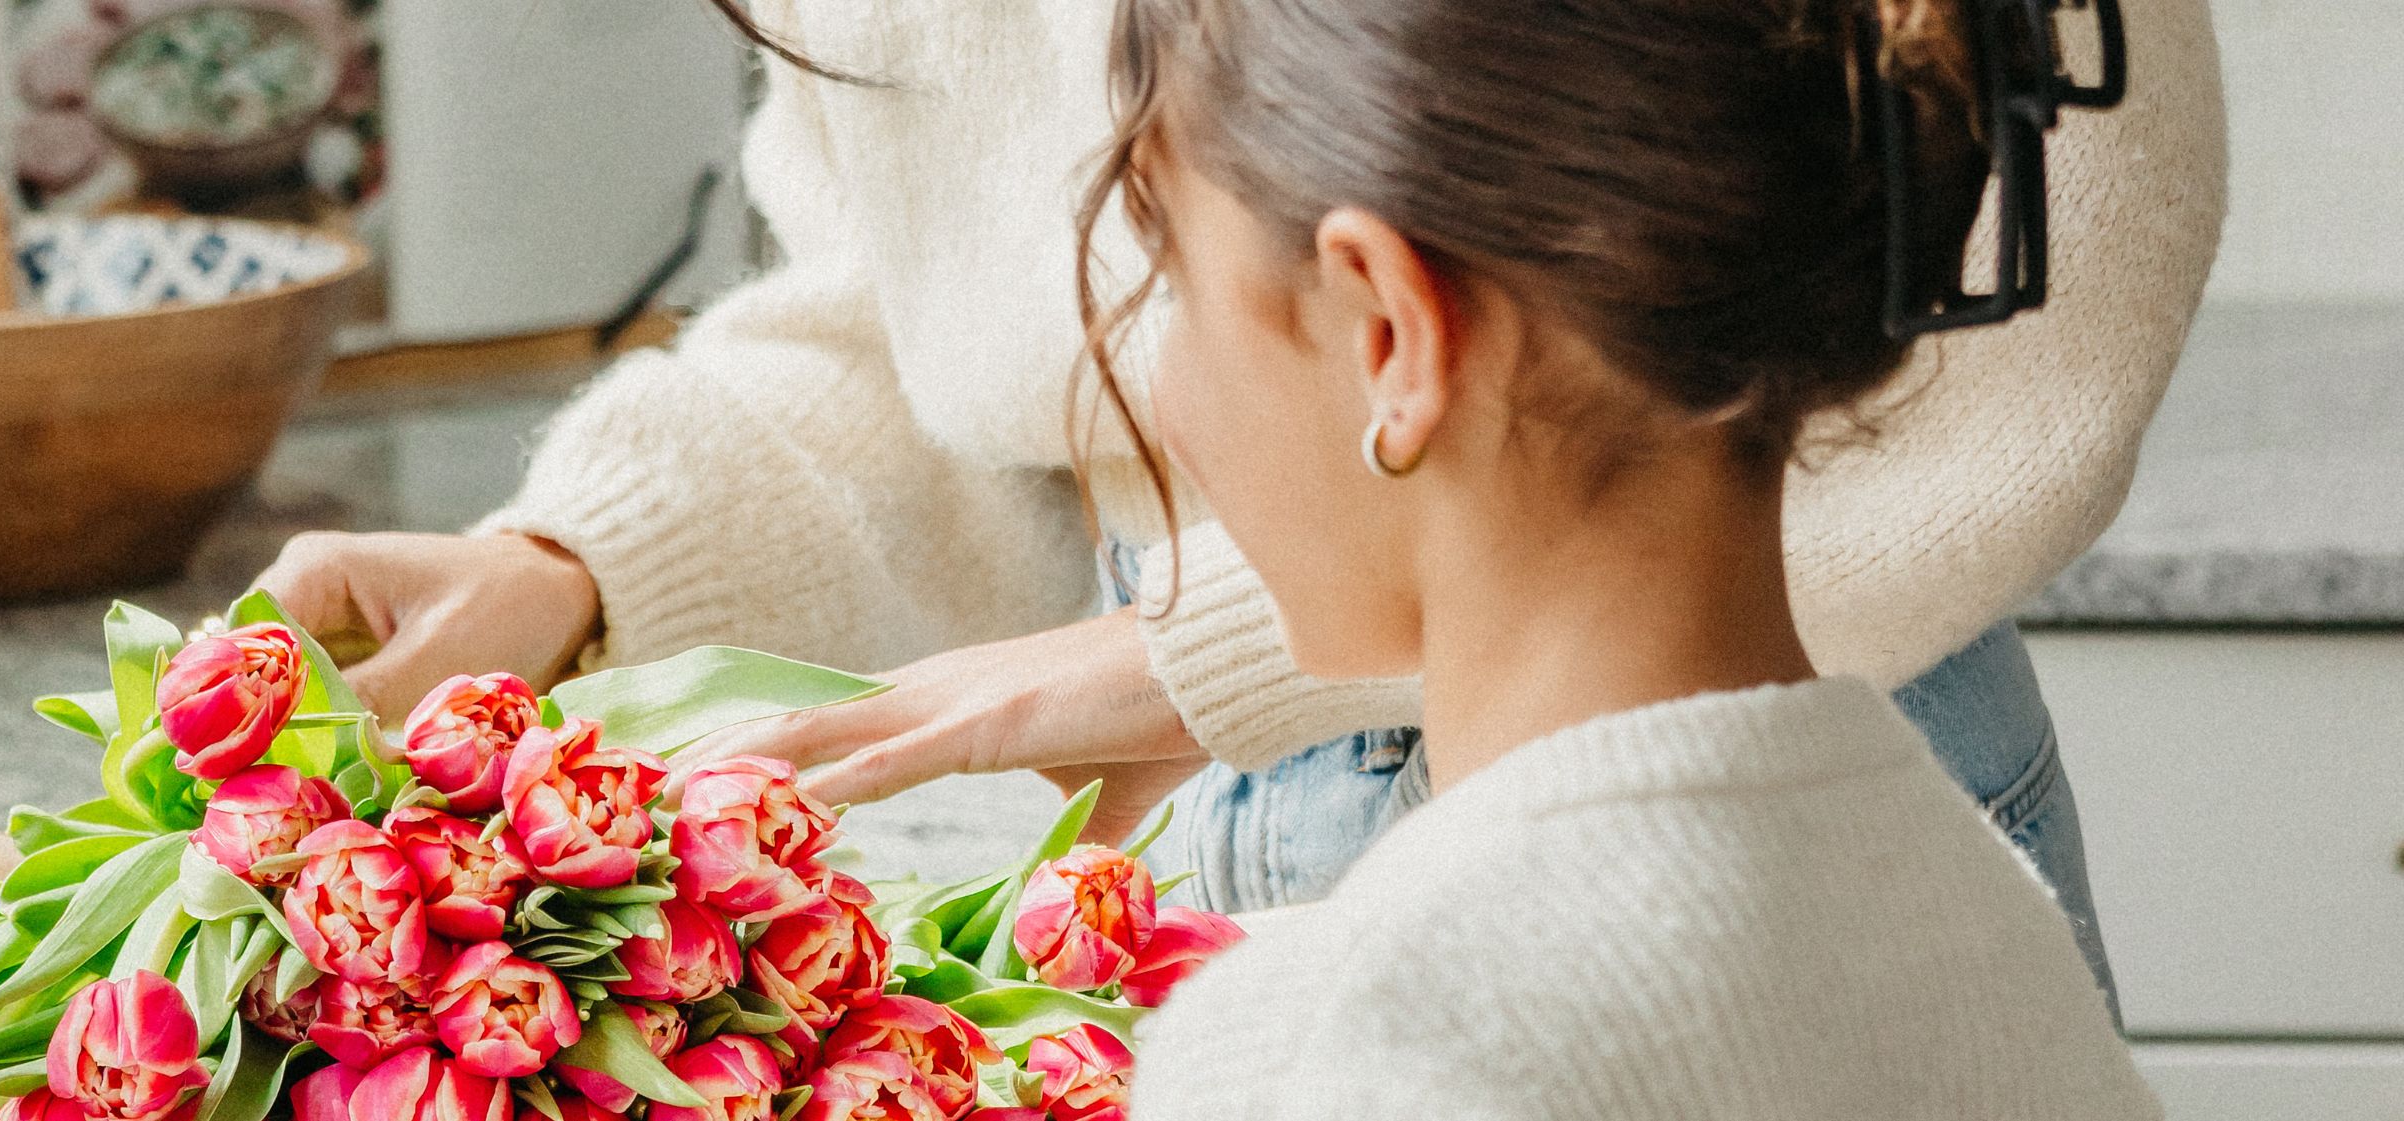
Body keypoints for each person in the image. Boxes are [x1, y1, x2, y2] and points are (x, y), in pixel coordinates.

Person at [250, 0, 2222, 986]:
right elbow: (940, 305)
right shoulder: (1959, 960)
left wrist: (1195, 643)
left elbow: (1982, 360)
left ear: (1384, 329)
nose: (1138, 359)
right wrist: (574, 560)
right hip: (1229, 801)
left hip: (1720, 719)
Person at [1093, 0, 2156, 1112]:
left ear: (1390, 336)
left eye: (1179, 289)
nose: (1160, 393)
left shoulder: (1339, 1040)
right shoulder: (1989, 930)